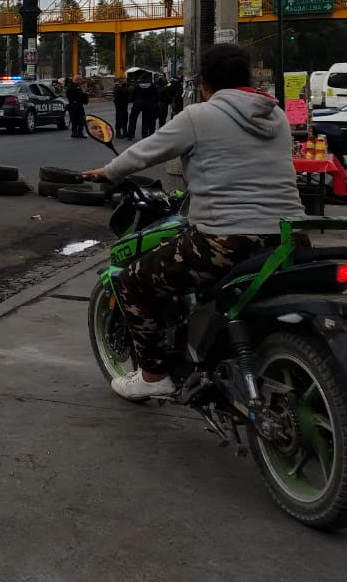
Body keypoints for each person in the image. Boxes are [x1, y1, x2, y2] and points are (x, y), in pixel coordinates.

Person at [83, 43, 303, 401]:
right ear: (249, 77)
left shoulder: (199, 116)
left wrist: (107, 172)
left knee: (132, 282)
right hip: (286, 236)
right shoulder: (275, 116)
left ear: (204, 83)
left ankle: (153, 377)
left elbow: (145, 152)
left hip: (225, 240)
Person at [128, 72, 156, 139]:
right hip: (148, 104)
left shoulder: (137, 85)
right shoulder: (152, 85)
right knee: (145, 120)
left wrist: (133, 100)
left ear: (141, 78)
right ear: (148, 78)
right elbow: (156, 94)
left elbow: (133, 94)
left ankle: (131, 134)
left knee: (133, 118)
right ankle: (144, 135)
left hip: (138, 103)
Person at [65, 74, 88, 138]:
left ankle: (74, 132)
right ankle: (79, 133)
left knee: (74, 120)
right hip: (76, 106)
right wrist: (84, 93)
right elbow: (80, 95)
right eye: (81, 80)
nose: (82, 81)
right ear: (77, 80)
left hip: (73, 105)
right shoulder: (75, 87)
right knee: (80, 119)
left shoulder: (71, 86)